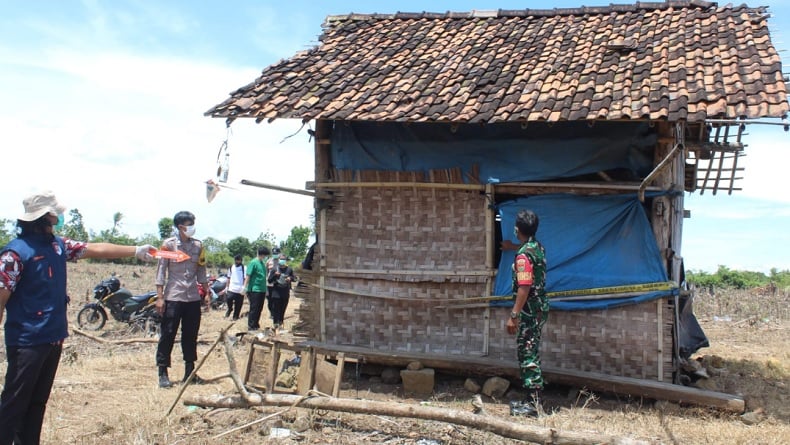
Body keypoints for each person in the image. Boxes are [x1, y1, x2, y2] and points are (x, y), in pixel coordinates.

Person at [0, 190, 155, 444]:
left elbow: (95, 249)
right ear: (44, 217)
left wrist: (136, 249)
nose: (58, 217)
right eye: (55, 214)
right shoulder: (14, 255)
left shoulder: (58, 245)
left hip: (53, 337)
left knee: (38, 403)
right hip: (27, 342)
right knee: (14, 404)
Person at [155, 211, 210, 388]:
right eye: (189, 224)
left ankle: (190, 371)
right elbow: (161, 271)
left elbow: (201, 270)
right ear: (180, 227)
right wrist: (160, 297)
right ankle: (163, 372)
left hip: (192, 297)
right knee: (168, 334)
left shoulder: (198, 246)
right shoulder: (168, 246)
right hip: (173, 296)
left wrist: (207, 292)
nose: (192, 227)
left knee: (191, 335)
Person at [502, 209, 548, 417]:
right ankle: (532, 399)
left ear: (517, 229)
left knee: (527, 352)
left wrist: (514, 315)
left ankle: (533, 405)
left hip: (528, 310)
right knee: (532, 350)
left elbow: (524, 286)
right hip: (538, 307)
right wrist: (513, 247)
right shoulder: (537, 247)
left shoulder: (523, 256)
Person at [241, 246, 270, 331]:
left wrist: (266, 289)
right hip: (254, 289)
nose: (265, 257)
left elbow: (264, 277)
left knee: (259, 308)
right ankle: (251, 326)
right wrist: (244, 286)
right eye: (264, 255)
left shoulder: (262, 264)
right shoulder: (253, 262)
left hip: (262, 289)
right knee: (254, 308)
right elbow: (248, 275)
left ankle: (256, 324)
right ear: (261, 254)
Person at [268, 253, 296, 333]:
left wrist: (290, 278)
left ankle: (281, 324)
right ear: (278, 260)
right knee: (276, 310)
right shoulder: (274, 269)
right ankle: (275, 325)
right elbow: (269, 280)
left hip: (285, 292)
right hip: (276, 293)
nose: (282, 261)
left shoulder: (289, 269)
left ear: (285, 260)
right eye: (281, 259)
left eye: (283, 259)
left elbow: (294, 278)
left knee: (282, 309)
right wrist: (275, 276)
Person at [224, 254, 245, 320]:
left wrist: (244, 287)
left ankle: (235, 316)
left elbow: (245, 278)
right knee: (229, 299)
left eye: (238, 260)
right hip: (231, 288)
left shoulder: (244, 268)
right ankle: (230, 309)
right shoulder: (231, 267)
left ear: (241, 261)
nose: (237, 262)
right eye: (236, 260)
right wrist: (226, 287)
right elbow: (228, 277)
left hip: (240, 289)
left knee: (238, 304)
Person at [265, 247, 280, 320]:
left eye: (276, 253)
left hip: (277, 284)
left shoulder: (281, 261)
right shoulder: (268, 261)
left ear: (279, 253)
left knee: (276, 300)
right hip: (269, 284)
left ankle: (275, 314)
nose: (275, 255)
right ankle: (271, 313)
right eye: (274, 253)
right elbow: (266, 272)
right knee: (269, 300)